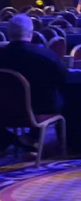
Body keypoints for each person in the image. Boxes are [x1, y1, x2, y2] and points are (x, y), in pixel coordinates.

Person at [0, 14, 67, 151]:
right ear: (31, 33)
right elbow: (64, 80)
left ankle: (11, 139)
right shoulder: (47, 55)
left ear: (9, 33)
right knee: (67, 98)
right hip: (42, 109)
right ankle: (62, 145)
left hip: (3, 111)